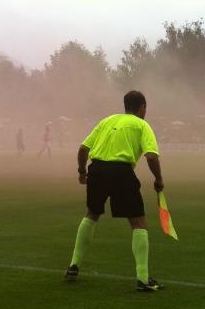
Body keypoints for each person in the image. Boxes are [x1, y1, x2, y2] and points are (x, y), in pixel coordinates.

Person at [65, 90, 165, 292]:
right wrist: (159, 179)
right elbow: (152, 157)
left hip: (97, 170)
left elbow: (83, 148)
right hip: (121, 172)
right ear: (142, 107)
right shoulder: (142, 125)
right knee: (138, 222)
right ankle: (143, 279)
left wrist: (82, 172)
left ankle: (73, 265)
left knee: (91, 214)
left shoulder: (107, 121)